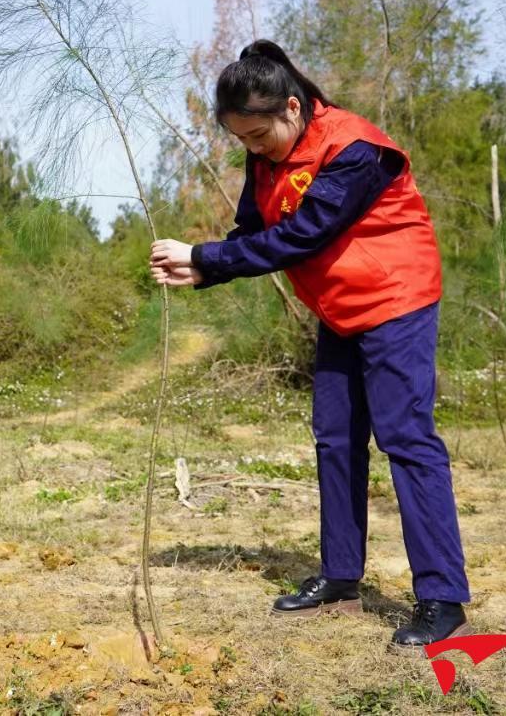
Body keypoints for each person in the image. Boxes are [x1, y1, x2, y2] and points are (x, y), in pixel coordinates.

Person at [149, 40, 471, 650]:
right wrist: (203, 268)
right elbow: (256, 230)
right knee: (335, 435)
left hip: (396, 299)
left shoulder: (356, 150)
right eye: (241, 140)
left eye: (257, 136)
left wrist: (207, 257)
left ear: (292, 110)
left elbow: (305, 234)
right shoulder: (266, 157)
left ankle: (442, 597)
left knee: (405, 438)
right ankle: (341, 575)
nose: (251, 149)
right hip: (340, 309)